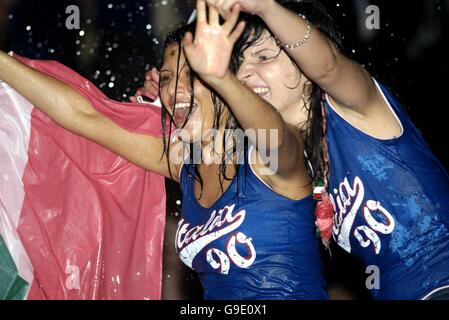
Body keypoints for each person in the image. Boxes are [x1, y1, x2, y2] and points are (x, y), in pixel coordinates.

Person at [0, 1, 328, 300]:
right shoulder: (184, 164)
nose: (174, 90)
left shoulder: (277, 157)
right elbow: (85, 116)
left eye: (193, 74)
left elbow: (269, 133)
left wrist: (221, 78)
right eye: (168, 77)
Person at [138, 0, 449, 300]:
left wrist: (265, 7)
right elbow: (200, 149)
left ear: (304, 61)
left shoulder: (358, 106)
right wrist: (174, 95)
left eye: (263, 57)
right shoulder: (282, 154)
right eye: (238, 64)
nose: (245, 73)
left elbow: (327, 67)